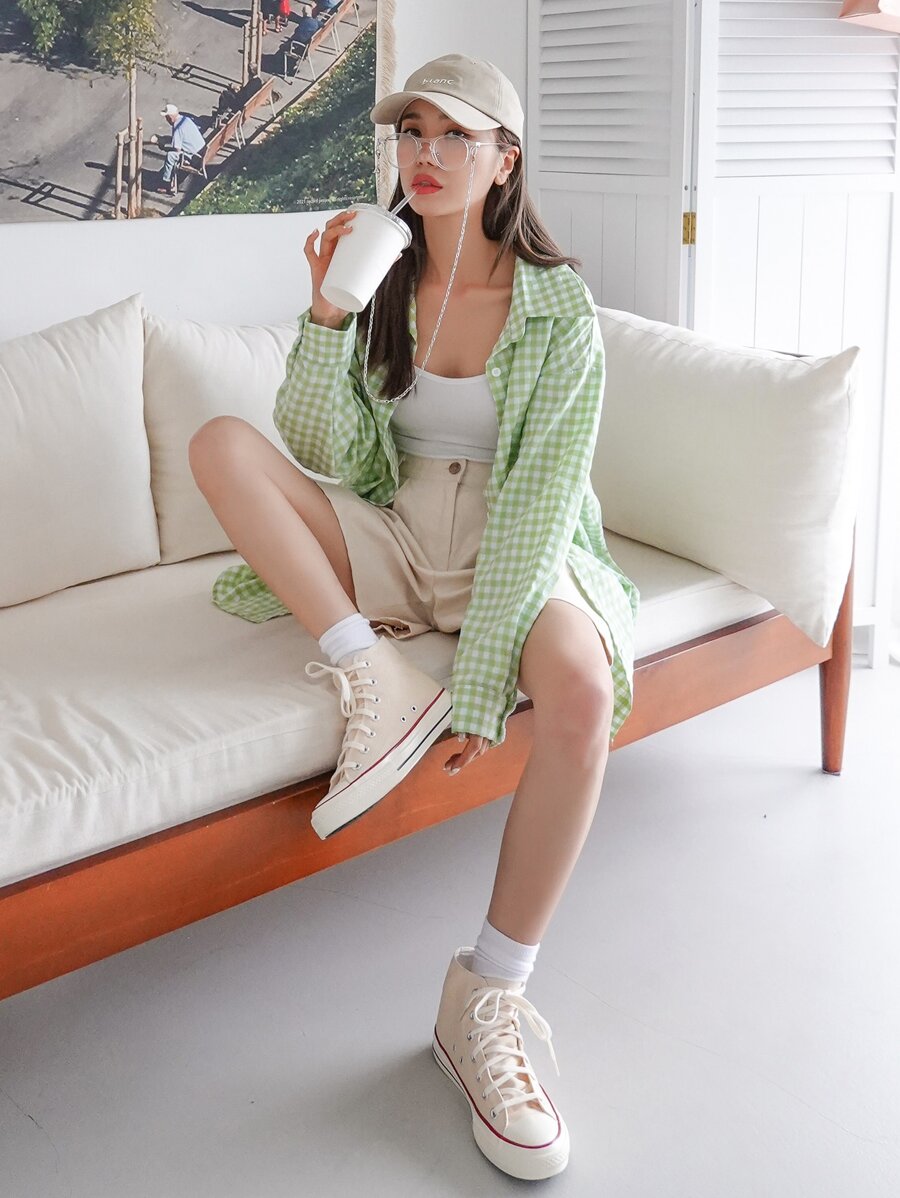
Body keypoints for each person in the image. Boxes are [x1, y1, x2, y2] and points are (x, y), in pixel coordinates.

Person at [188, 54, 639, 1181]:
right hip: (396, 526)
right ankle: (369, 671)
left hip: (512, 536)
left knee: (582, 690)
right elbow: (325, 449)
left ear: (504, 161)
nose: (425, 156)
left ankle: (486, 993)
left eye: (455, 137)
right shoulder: (379, 277)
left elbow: (539, 504)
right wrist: (326, 314)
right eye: (411, 133)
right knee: (220, 444)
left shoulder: (559, 309)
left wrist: (483, 674)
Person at [156, 103, 205, 193]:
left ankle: (166, 183)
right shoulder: (186, 119)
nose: (166, 120)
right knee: (173, 154)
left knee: (170, 156)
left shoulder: (177, 127)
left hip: (195, 157)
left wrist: (164, 148)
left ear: (170, 117)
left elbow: (177, 149)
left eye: (166, 117)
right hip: (203, 150)